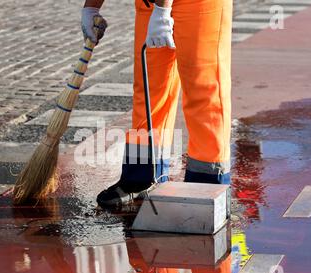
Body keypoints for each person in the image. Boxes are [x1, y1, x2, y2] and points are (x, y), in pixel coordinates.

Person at [81, 0, 233, 207]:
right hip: (151, 4)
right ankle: (140, 177)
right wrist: (92, 7)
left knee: (203, 89)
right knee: (148, 86)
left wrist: (162, 12)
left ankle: (207, 184)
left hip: (199, 4)